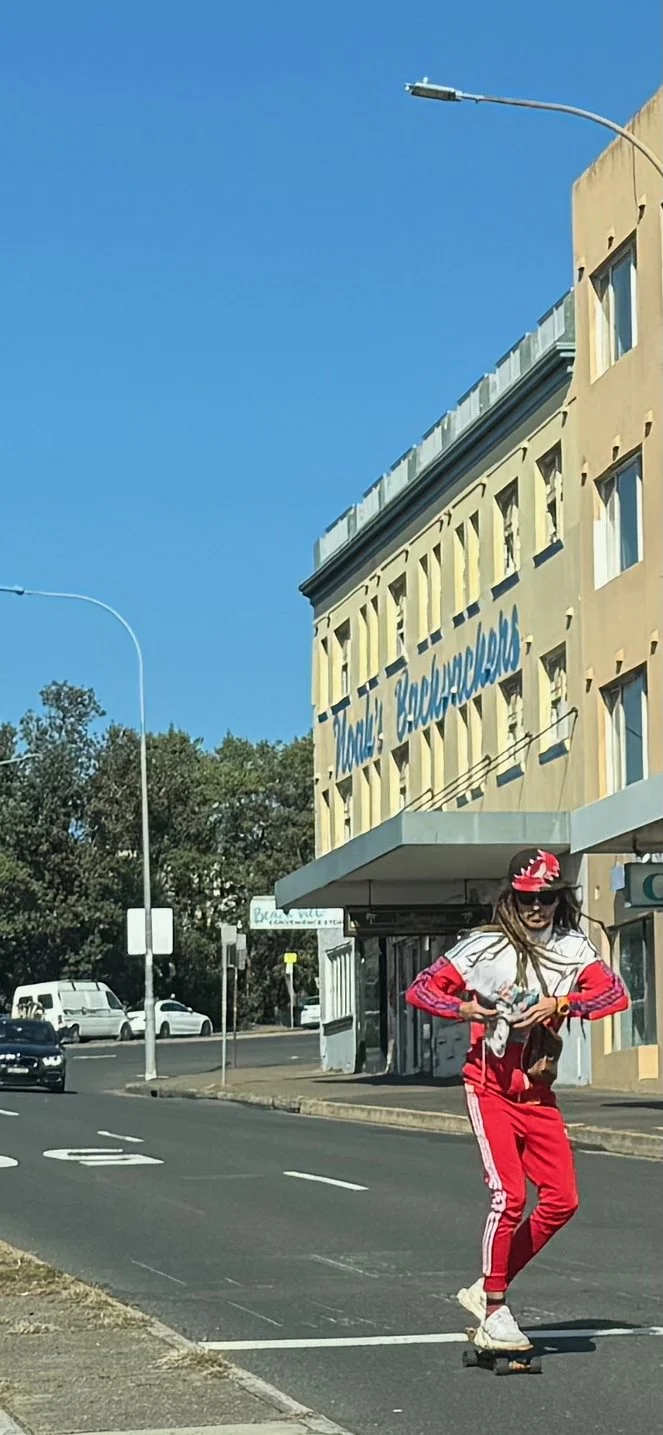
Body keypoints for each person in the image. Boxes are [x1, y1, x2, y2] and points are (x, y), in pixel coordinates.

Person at [406, 848, 629, 1354]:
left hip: (538, 1092)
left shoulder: (573, 948)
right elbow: (421, 990)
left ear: (558, 899)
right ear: (512, 897)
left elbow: (614, 996)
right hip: (488, 1087)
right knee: (509, 1195)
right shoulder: (483, 947)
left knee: (563, 1200)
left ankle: (488, 1281)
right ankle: (494, 1309)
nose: (537, 909)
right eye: (527, 899)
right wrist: (466, 1007)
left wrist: (562, 1002)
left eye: (546, 899)